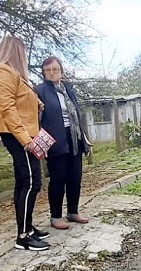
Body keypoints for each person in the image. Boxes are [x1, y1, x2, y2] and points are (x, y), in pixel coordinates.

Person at [0, 36, 50, 251]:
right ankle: (23, 236)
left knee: (24, 182)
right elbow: (8, 109)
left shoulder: (16, 75)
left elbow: (21, 100)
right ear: (16, 52)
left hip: (25, 133)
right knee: (32, 182)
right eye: (22, 52)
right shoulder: (3, 72)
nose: (25, 56)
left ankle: (28, 227)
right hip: (18, 135)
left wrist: (38, 104)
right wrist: (26, 140)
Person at [36, 57, 92, 230]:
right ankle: (56, 216)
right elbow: (35, 118)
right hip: (54, 139)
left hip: (74, 137)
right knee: (58, 178)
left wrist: (84, 137)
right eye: (48, 70)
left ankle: (73, 212)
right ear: (44, 73)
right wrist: (39, 143)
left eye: (55, 69)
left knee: (75, 176)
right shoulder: (40, 91)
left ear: (61, 70)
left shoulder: (68, 89)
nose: (52, 73)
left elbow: (76, 113)